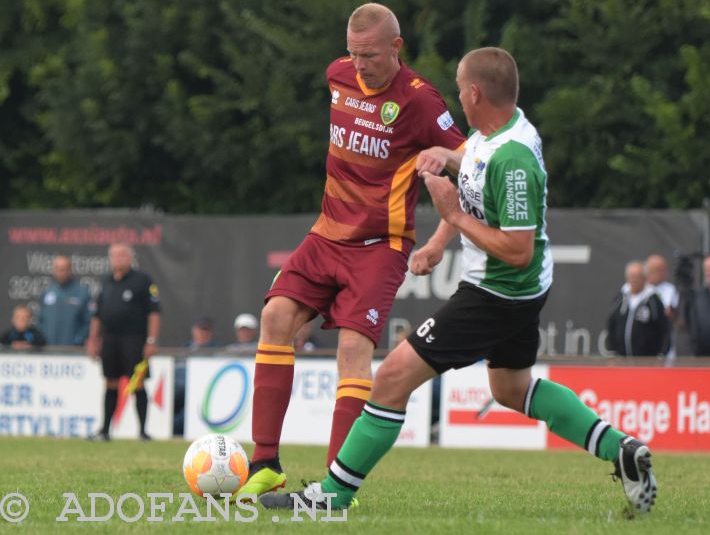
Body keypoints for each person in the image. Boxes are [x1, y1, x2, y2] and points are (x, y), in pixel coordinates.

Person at [260, 47, 656, 515]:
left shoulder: (513, 160)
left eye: (459, 87)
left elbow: (517, 247)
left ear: (474, 93)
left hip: (498, 292)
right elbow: (471, 192)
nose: (456, 99)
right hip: (517, 289)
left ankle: (332, 496)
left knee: (391, 378)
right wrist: (439, 234)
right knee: (510, 388)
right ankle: (622, 450)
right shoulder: (488, 135)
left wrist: (450, 216)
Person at [238, 3, 465, 497]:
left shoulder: (421, 101)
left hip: (380, 246)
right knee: (275, 318)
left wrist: (446, 161)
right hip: (325, 234)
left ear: (396, 48)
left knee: (352, 350)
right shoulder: (337, 75)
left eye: (370, 55)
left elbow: (470, 163)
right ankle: (264, 464)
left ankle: (331, 486)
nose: (359, 64)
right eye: (353, 53)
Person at [86, 243, 161, 441]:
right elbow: (97, 314)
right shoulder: (106, 281)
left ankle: (143, 432)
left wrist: (151, 340)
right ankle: (104, 431)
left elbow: (154, 312)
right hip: (110, 340)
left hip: (134, 339)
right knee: (110, 382)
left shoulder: (142, 280)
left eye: (122, 255)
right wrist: (93, 339)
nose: (118, 259)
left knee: (137, 383)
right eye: (114, 255)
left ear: (130, 257)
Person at [606, 261, 670, 357]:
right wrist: (612, 351)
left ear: (645, 278)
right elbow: (611, 324)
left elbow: (664, 329)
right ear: (627, 278)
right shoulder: (620, 298)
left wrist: (661, 354)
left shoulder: (653, 301)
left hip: (647, 361)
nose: (634, 280)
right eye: (632, 276)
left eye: (638, 276)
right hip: (622, 360)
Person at [38, 255, 92, 346]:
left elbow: (88, 321)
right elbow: (41, 320)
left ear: (70, 270)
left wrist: (79, 339)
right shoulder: (47, 292)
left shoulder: (82, 293)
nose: (60, 273)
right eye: (58, 269)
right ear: (53, 270)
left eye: (64, 269)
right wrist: (43, 338)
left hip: (73, 350)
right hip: (49, 349)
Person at [646, 254, 679, 319]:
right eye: (659, 270)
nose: (664, 273)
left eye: (664, 270)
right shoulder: (637, 287)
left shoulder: (670, 289)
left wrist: (671, 313)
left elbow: (676, 313)